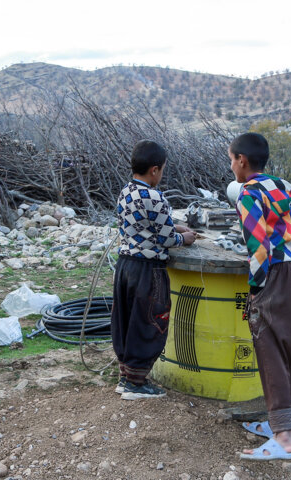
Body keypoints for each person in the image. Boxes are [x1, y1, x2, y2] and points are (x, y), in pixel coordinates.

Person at [228, 132, 291, 461]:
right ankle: (279, 423)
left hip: (273, 274)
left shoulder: (248, 193)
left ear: (242, 161)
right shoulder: (280, 183)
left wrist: (255, 289)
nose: (232, 166)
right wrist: (284, 217)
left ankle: (285, 438)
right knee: (288, 348)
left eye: (231, 160)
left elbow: (258, 246)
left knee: (269, 349)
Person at [111, 139, 196, 400]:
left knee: (127, 322)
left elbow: (145, 226)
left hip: (125, 267)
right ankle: (136, 384)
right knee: (150, 322)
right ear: (155, 170)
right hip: (148, 270)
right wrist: (185, 238)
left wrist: (174, 226)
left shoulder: (126, 191)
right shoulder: (156, 197)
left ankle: (126, 376)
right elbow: (167, 239)